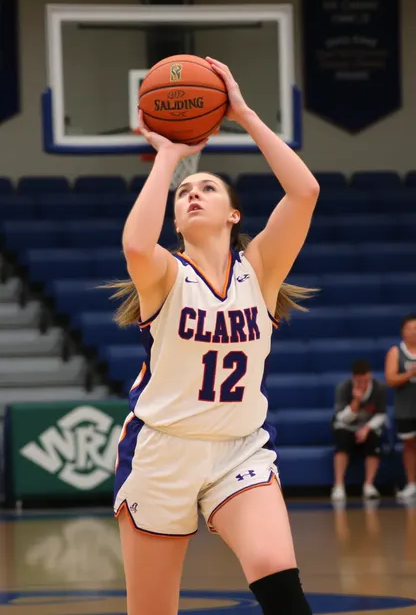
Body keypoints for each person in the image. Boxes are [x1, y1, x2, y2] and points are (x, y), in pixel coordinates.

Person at [108, 56, 320, 615]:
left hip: (238, 449)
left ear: (233, 214)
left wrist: (244, 113)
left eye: (207, 188)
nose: (193, 194)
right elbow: (134, 244)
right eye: (184, 194)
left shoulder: (262, 271)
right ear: (175, 221)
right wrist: (170, 157)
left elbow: (304, 193)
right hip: (161, 450)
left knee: (280, 580)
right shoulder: (164, 274)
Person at [330, 360, 387, 503]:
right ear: (354, 378)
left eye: (366, 380)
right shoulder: (343, 388)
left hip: (367, 427)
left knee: (375, 440)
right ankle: (338, 485)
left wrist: (366, 429)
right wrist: (355, 401)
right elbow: (341, 418)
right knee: (341, 440)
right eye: (359, 381)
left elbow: (381, 415)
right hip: (346, 426)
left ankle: (369, 485)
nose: (363, 384)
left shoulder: (379, 387)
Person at [385, 314, 416, 500]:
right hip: (406, 407)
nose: (413, 332)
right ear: (403, 331)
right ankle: (412, 483)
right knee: (409, 445)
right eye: (410, 328)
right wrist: (410, 373)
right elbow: (390, 379)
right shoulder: (396, 352)